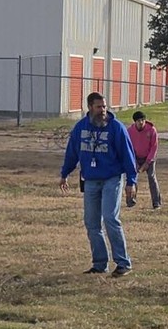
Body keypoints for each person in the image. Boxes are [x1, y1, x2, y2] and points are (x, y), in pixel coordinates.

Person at [59, 92, 139, 277]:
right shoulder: (80, 128)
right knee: (92, 223)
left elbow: (128, 156)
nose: (103, 110)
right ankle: (99, 264)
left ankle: (123, 263)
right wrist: (64, 174)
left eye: (104, 106)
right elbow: (72, 153)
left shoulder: (116, 128)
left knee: (110, 218)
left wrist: (131, 181)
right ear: (89, 108)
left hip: (112, 178)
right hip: (91, 181)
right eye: (98, 107)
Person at [127, 111, 162, 209]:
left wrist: (147, 162)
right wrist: (134, 161)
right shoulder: (130, 131)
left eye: (143, 120)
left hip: (149, 158)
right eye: (139, 120)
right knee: (132, 178)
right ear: (135, 122)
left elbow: (154, 147)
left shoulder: (151, 130)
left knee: (152, 177)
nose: (141, 122)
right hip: (135, 158)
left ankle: (156, 202)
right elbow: (129, 147)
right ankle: (131, 200)